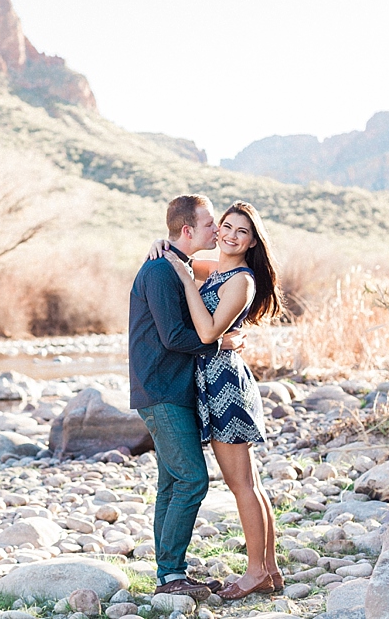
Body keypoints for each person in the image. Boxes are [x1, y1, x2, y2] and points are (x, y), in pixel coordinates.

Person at [150, 200, 286, 599]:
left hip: (225, 385)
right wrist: (164, 245)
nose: (229, 235)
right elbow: (181, 259)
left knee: (241, 484)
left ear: (252, 242)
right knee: (252, 484)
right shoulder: (215, 269)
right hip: (211, 382)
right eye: (225, 226)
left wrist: (185, 278)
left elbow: (208, 333)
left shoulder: (241, 280)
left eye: (241, 231)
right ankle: (272, 571)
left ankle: (256, 571)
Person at [129, 194, 245, 600]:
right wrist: (221, 345)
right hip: (161, 390)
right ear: (187, 230)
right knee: (193, 480)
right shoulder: (161, 272)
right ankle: (172, 572)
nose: (217, 230)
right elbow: (174, 336)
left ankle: (167, 575)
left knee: (170, 482)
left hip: (169, 389)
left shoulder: (173, 266)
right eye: (212, 223)